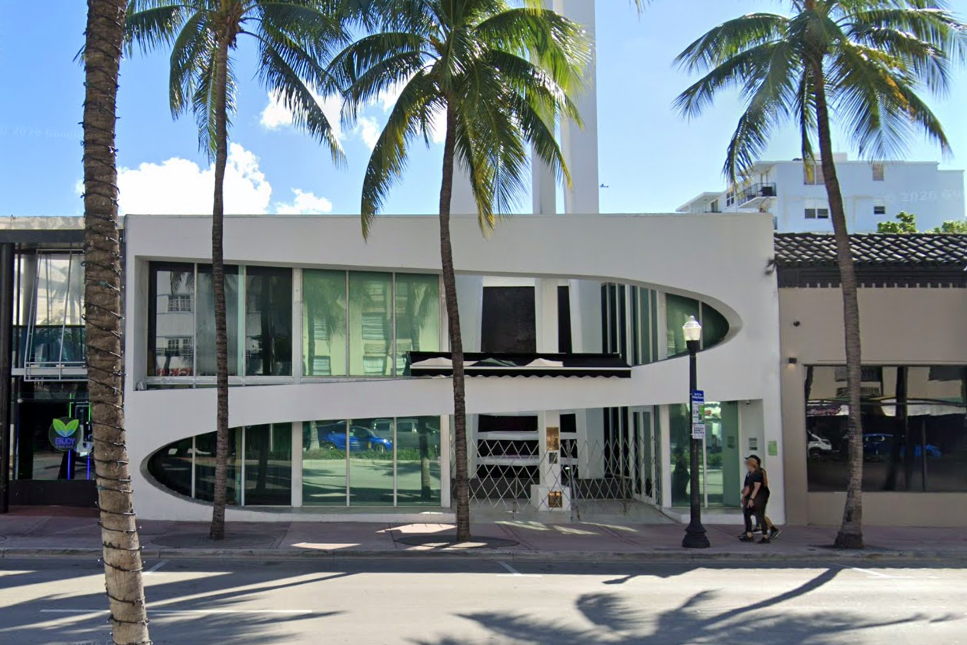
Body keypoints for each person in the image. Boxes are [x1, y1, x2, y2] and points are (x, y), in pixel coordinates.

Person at [739, 455, 780, 543]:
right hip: (757, 496)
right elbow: (749, 486)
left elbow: (755, 487)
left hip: (758, 497)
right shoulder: (751, 473)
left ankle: (767, 534)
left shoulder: (757, 473)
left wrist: (750, 498)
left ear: (753, 464)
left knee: (758, 514)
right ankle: (752, 532)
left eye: (748, 463)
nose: (746, 465)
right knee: (751, 513)